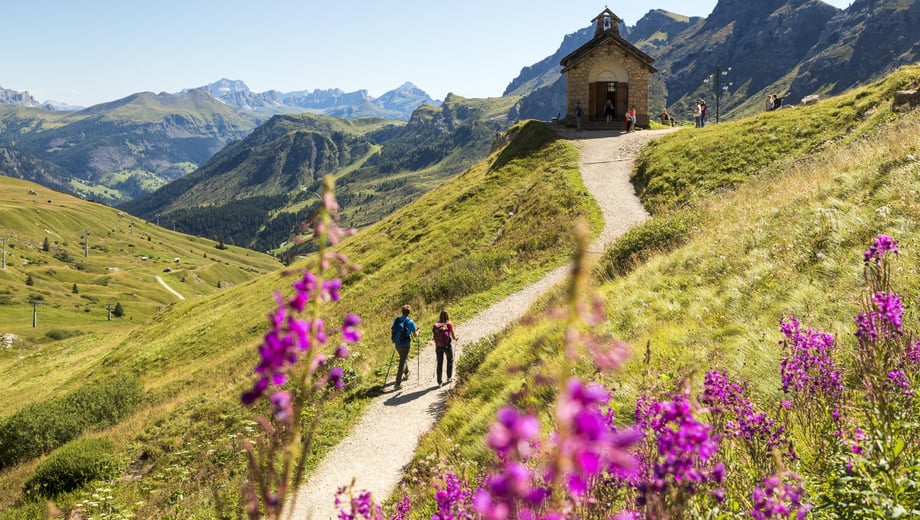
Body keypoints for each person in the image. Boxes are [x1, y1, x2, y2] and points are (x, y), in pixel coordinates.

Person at [390, 304, 418, 390]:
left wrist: (394, 339)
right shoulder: (410, 322)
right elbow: (415, 335)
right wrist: (418, 331)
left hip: (397, 343)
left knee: (403, 358)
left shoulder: (397, 320)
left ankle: (406, 373)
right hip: (405, 345)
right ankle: (397, 383)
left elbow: (392, 330)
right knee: (402, 361)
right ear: (409, 312)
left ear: (402, 312)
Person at [432, 310, 458, 386]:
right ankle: (449, 377)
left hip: (438, 346)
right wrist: (456, 338)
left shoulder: (436, 325)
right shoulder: (449, 324)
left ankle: (439, 382)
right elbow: (453, 336)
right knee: (450, 360)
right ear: (447, 315)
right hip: (447, 346)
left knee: (439, 363)